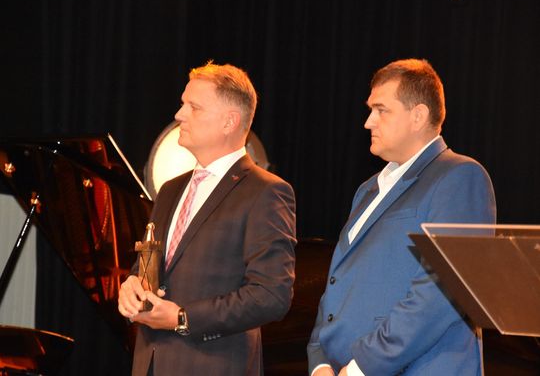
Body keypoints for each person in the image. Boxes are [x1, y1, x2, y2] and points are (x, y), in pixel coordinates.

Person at [307, 58, 496, 375]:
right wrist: (320, 359)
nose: (368, 122)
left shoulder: (459, 176)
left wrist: (363, 366)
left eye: (381, 110)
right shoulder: (367, 189)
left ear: (418, 116)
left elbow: (443, 292)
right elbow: (337, 282)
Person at [118, 61, 296, 376]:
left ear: (229, 121)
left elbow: (271, 295)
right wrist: (132, 286)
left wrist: (182, 318)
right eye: (182, 104)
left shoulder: (265, 191)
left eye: (194, 107)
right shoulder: (170, 189)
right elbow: (150, 268)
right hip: (150, 364)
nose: (179, 115)